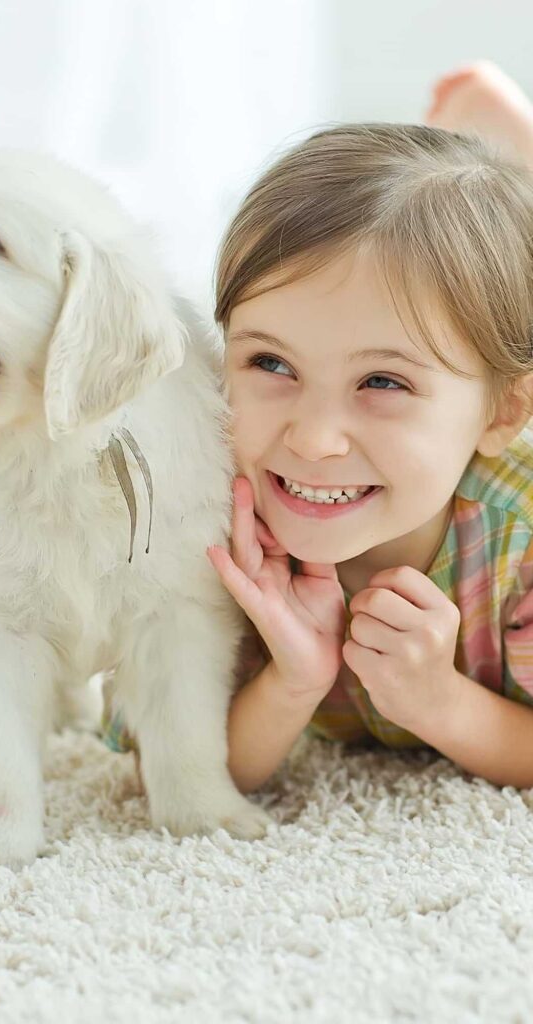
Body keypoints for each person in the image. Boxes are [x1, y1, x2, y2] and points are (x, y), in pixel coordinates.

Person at [104, 63, 533, 796]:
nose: (312, 439)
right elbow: (167, 772)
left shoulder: (520, 551)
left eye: (383, 382)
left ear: (500, 415)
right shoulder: (189, 521)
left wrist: (442, 703)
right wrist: (293, 679)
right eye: (271, 362)